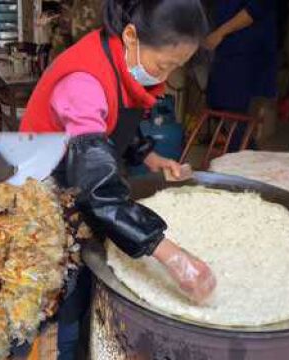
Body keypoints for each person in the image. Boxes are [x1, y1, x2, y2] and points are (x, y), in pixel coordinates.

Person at [20, 0, 215, 358]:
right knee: (53, 296)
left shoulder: (119, 57)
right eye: (163, 64)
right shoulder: (84, 83)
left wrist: (147, 155)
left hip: (74, 177)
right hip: (42, 191)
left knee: (80, 286)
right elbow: (98, 192)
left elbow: (115, 119)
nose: (164, 76)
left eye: (176, 68)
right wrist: (170, 255)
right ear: (131, 35)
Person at [204, 0, 278, 151]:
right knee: (219, 105)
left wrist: (219, 33)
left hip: (247, 53)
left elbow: (254, 10)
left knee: (236, 114)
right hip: (226, 51)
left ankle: (243, 161)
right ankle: (237, 155)